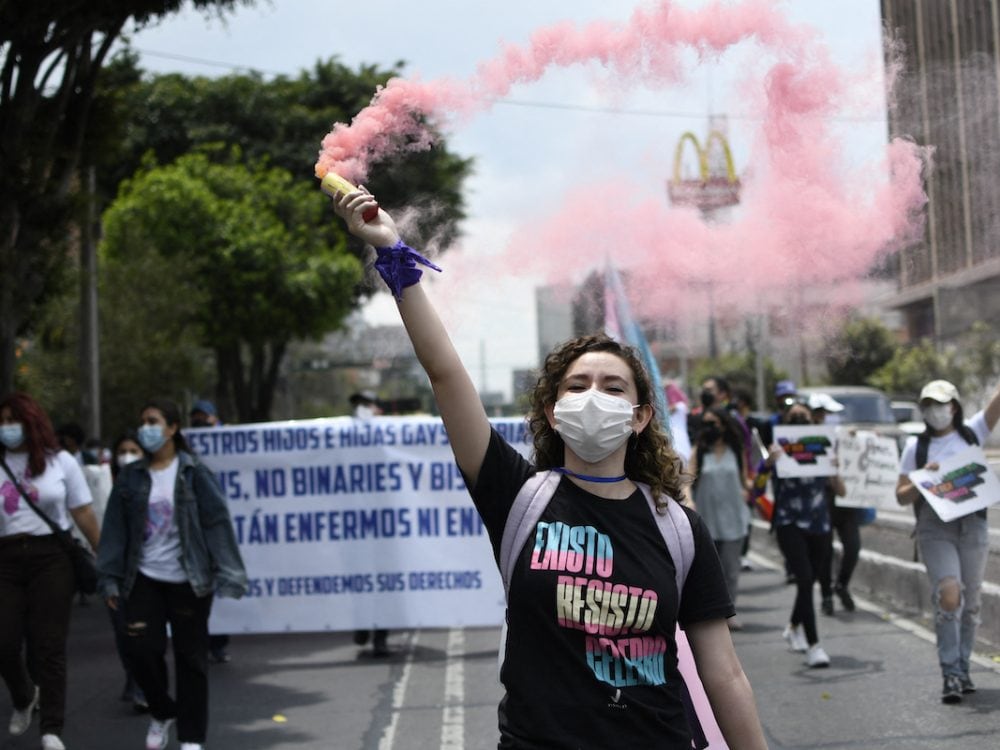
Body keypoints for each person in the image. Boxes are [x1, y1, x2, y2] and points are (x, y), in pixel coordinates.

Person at [331, 188, 767, 749]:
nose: (593, 396)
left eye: (613, 388)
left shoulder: (678, 528)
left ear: (639, 418)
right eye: (577, 385)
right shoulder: (518, 496)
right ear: (551, 412)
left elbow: (723, 671)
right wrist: (392, 253)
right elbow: (444, 373)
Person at [97, 398, 248, 750]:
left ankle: (192, 737)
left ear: (172, 428)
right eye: (143, 422)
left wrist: (229, 572)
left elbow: (216, 522)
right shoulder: (131, 477)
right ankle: (162, 711)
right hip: (143, 578)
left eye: (153, 421)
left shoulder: (194, 472)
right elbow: (115, 530)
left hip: (188, 580)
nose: (146, 428)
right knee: (140, 652)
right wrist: (108, 577)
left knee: (191, 658)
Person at [0, 392, 101, 750]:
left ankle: (51, 729)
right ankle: (24, 694)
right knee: (5, 640)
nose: (8, 427)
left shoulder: (61, 462)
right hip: (6, 558)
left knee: (49, 646)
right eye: (3, 420)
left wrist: (105, 558)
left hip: (52, 557)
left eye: (14, 419)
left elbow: (83, 512)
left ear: (31, 421)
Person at [895, 378, 1000, 704]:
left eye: (940, 404)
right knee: (949, 594)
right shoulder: (916, 448)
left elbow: (995, 407)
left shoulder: (972, 432)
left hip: (972, 527)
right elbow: (900, 496)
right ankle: (950, 673)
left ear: (953, 406)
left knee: (971, 603)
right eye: (928, 405)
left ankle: (964, 668)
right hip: (935, 528)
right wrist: (922, 478)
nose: (935, 411)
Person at [764, 401, 844, 669]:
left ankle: (793, 626)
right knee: (806, 578)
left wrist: (834, 468)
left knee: (808, 583)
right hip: (789, 523)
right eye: (794, 416)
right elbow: (757, 486)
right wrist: (768, 463)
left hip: (820, 524)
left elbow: (841, 490)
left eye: (804, 416)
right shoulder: (778, 450)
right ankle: (814, 645)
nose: (799, 419)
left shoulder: (825, 445)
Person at [688, 407, 751, 631]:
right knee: (708, 572)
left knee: (731, 569)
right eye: (706, 424)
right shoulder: (700, 451)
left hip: (734, 517)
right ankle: (710, 614)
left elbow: (746, 483)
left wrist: (765, 474)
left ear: (724, 425)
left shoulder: (736, 450)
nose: (709, 428)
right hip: (707, 520)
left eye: (713, 423)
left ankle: (729, 612)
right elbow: (687, 479)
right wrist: (688, 501)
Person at [106, 432, 149, 712]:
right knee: (122, 632)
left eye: (133, 450)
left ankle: (142, 685)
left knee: (143, 632)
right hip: (113, 571)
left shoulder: (149, 485)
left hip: (144, 571)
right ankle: (133, 677)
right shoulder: (99, 484)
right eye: (122, 450)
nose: (127, 456)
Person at [187, 400, 232, 665]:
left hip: (218, 528)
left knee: (220, 586)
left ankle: (218, 643)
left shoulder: (227, 441)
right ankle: (199, 642)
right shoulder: (183, 446)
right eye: (195, 417)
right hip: (195, 529)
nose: (199, 422)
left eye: (205, 417)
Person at [808, 393, 861, 617]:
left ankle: (842, 584)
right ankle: (827, 595)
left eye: (830, 413)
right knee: (825, 551)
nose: (826, 417)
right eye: (822, 413)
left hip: (845, 501)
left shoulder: (843, 436)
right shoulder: (807, 438)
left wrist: (866, 439)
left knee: (853, 547)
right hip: (822, 502)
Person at [348, 390, 392, 656]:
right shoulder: (343, 436)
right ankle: (363, 626)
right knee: (360, 581)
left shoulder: (388, 436)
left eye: (367, 405)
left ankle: (380, 636)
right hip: (354, 529)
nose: (363, 410)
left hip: (385, 530)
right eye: (359, 406)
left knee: (385, 583)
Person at [664, 382, 692, 465]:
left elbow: (671, 409)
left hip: (678, 437)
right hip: (671, 436)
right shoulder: (682, 406)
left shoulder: (680, 406)